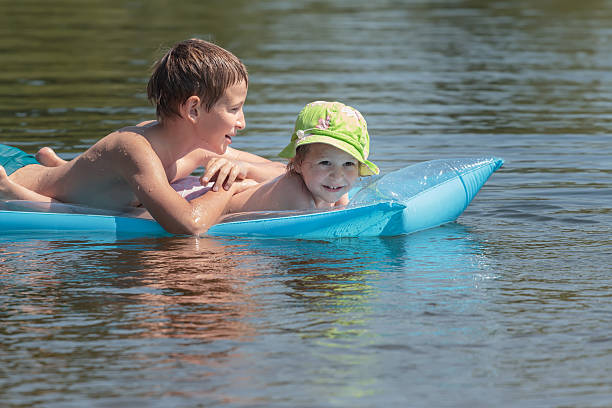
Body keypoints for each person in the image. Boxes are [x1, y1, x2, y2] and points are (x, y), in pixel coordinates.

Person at [0, 38, 285, 235]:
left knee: (91, 190)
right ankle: (31, 186)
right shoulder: (137, 150)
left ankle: (59, 168)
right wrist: (230, 187)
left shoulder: (197, 146)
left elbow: (281, 170)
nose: (243, 123)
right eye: (234, 109)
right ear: (194, 109)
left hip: (47, 174)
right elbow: (188, 225)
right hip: (11, 169)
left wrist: (242, 169)